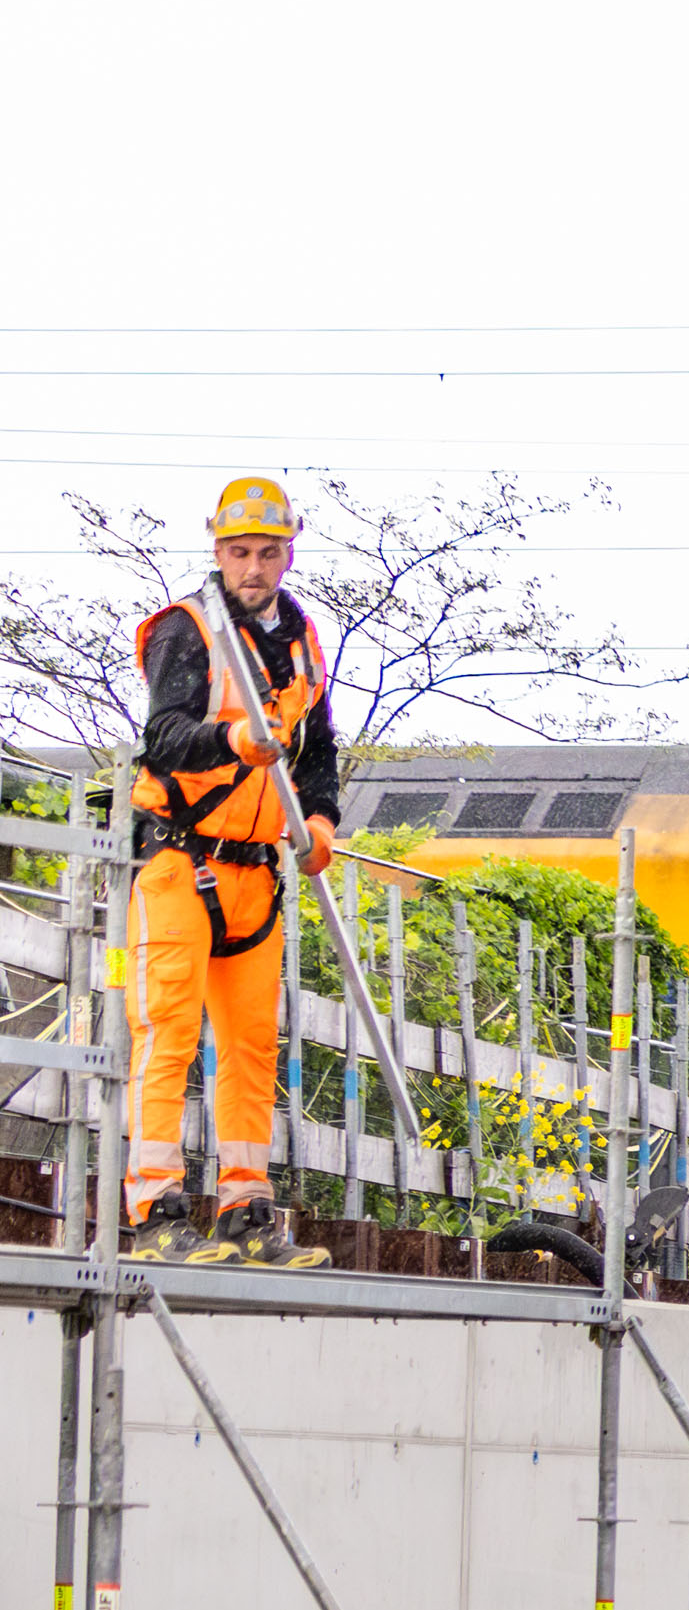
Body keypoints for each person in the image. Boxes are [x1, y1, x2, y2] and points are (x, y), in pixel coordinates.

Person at [122, 477, 341, 1265]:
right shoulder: (189, 631)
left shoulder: (305, 641)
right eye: (240, 552)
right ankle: (156, 1211)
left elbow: (318, 753)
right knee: (167, 1033)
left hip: (256, 876)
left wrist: (318, 821)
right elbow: (165, 737)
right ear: (218, 550)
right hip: (179, 859)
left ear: (290, 551)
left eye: (268, 552)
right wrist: (233, 739)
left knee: (251, 1046)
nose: (254, 567)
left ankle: (245, 1214)